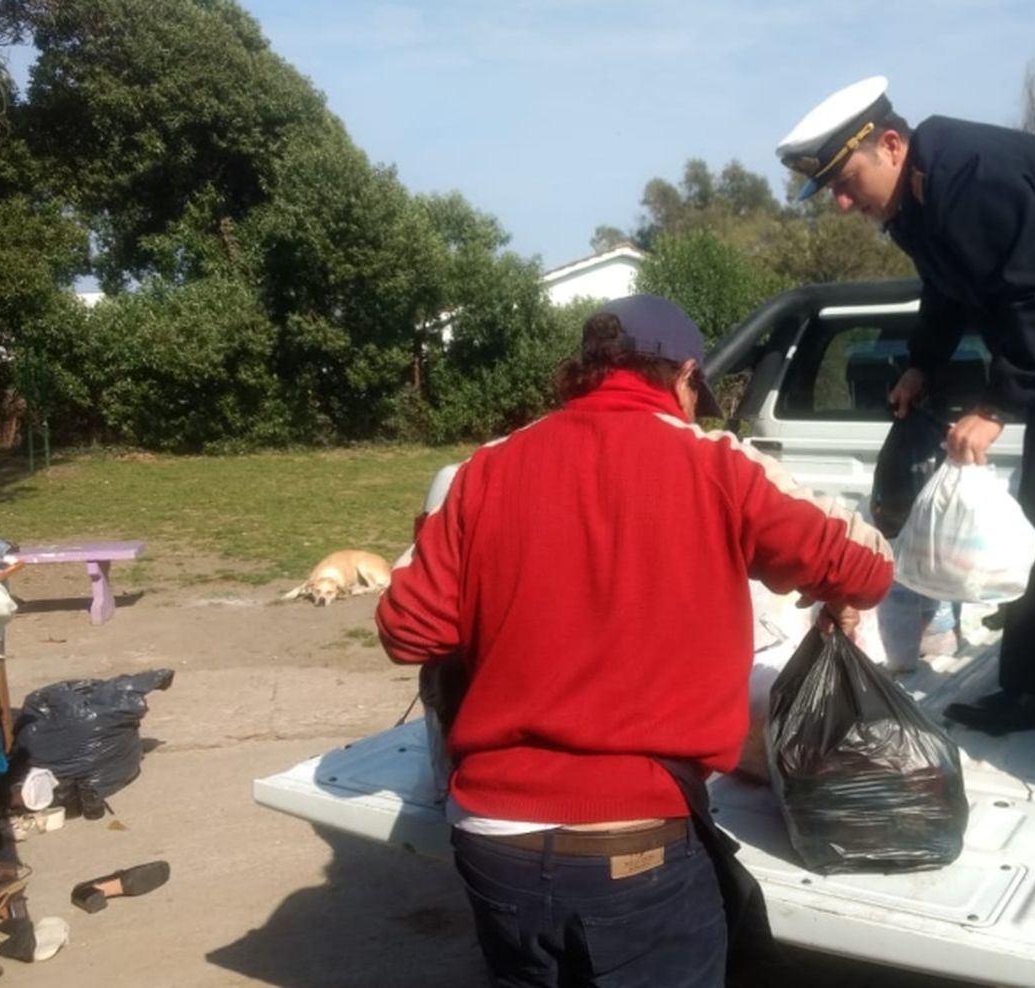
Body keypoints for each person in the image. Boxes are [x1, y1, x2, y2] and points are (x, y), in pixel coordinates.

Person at [376, 294, 894, 987]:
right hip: (635, 847)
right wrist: (835, 592)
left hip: (491, 840)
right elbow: (867, 565)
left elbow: (406, 627)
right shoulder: (718, 464)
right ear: (682, 376)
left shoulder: (486, 468)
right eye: (693, 393)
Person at [776, 77, 1035, 735]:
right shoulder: (918, 199)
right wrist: (922, 363)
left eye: (846, 180)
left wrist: (997, 404)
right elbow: (949, 289)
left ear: (890, 144)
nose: (841, 201)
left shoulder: (967, 178)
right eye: (830, 187)